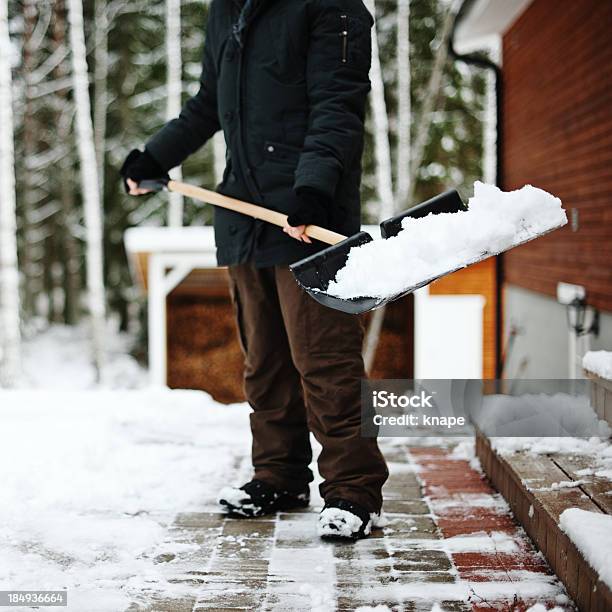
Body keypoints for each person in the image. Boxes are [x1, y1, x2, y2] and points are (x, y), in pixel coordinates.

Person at [121, 0, 388, 540]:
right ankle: (280, 474)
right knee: (264, 361)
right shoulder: (228, 10)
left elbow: (336, 105)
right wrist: (155, 157)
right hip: (245, 214)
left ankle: (353, 490)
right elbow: (208, 105)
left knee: (324, 361)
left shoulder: (330, 7)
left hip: (308, 220)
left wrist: (312, 189)